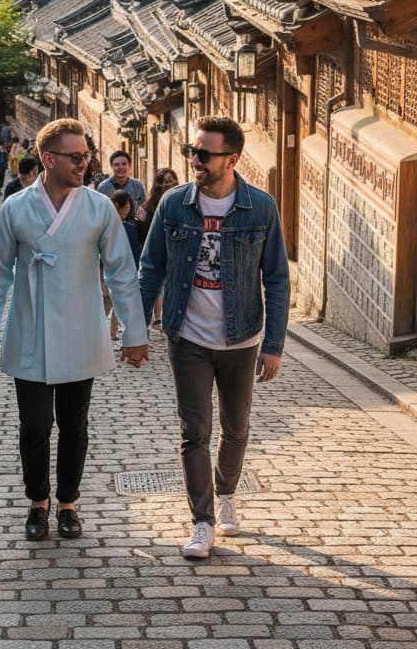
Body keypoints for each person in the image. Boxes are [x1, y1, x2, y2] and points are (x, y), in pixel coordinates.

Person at [0, 118, 149, 542]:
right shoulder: (16, 208)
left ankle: (68, 502)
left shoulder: (98, 207)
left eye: (86, 155)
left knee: (74, 425)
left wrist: (134, 332)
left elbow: (122, 272)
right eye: (75, 157)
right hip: (30, 330)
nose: (84, 164)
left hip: (81, 330)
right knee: (34, 426)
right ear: (48, 159)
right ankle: (38, 500)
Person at [139, 116, 289, 560]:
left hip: (241, 338)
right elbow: (152, 268)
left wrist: (274, 345)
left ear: (232, 159)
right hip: (187, 335)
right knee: (194, 429)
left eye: (204, 154)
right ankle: (201, 520)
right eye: (192, 151)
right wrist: (134, 325)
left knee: (236, 427)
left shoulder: (260, 208)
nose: (195, 161)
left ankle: (226, 492)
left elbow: (277, 280)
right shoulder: (173, 205)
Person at [136, 167, 180, 326]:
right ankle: (144, 325)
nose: (167, 185)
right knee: (151, 288)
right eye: (164, 182)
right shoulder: (147, 207)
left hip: (175, 255)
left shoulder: (182, 204)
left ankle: (165, 318)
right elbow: (140, 231)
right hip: (154, 253)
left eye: (170, 181)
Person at [96, 150, 146, 222]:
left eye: (124, 164)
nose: (121, 167)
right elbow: (99, 213)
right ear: (112, 166)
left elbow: (142, 210)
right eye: (116, 164)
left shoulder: (138, 185)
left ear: (129, 166)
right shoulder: (103, 187)